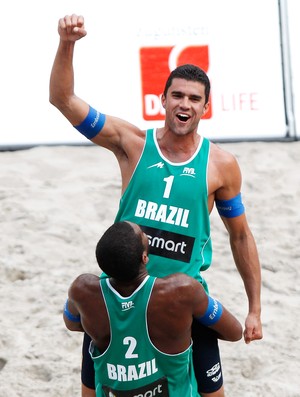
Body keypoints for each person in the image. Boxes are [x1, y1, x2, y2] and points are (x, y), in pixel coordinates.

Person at [50, 14, 263, 397]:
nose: (184, 104)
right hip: (120, 298)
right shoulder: (132, 144)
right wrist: (67, 43)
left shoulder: (221, 165)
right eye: (177, 95)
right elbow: (62, 100)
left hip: (182, 302)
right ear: (162, 99)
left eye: (194, 98)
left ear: (205, 107)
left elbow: (241, 236)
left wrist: (254, 308)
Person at [63, 221, 243, 397]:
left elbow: (71, 323)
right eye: (143, 234)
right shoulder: (182, 291)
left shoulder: (83, 291)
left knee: (91, 331)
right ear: (144, 257)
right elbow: (235, 332)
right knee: (200, 322)